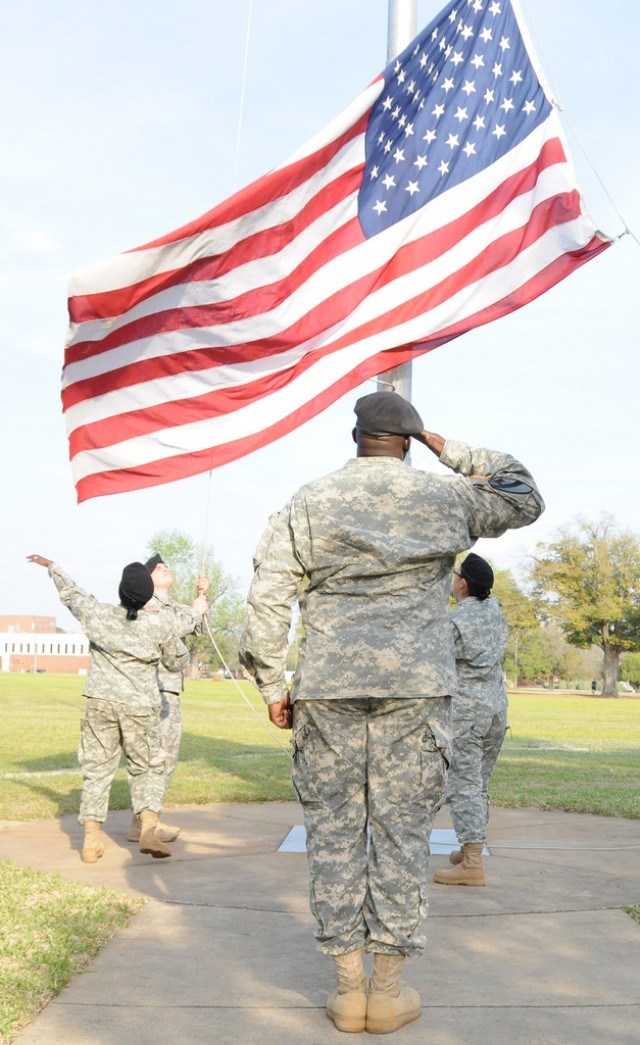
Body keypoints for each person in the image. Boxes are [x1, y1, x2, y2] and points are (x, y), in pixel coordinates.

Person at [239, 390, 544, 1036]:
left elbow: (266, 592)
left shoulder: (310, 500)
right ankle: (388, 990)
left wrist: (272, 682)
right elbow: (524, 493)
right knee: (403, 834)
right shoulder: (443, 497)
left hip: (327, 689)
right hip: (416, 692)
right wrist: (448, 448)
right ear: (405, 441)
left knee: (335, 832)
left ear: (355, 438)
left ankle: (348, 992)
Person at [27, 555, 189, 863]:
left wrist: (53, 567)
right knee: (148, 767)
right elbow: (178, 661)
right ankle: (148, 828)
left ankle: (90, 841)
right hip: (140, 708)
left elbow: (72, 595)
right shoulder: (156, 625)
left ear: (121, 592)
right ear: (145, 596)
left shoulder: (98, 615)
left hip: (100, 704)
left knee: (98, 770)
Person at [433, 553, 509, 888]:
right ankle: (469, 851)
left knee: (464, 786)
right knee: (479, 784)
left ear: (462, 584)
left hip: (468, 715)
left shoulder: (457, 622)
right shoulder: (495, 610)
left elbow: (434, 657)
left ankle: (473, 862)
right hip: (496, 710)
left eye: (454, 576)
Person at [126, 554, 209, 845]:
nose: (165, 569)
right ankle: (145, 824)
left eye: (166, 567)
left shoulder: (176, 607)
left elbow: (198, 628)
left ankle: (145, 822)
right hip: (153, 689)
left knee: (167, 759)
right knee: (156, 759)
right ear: (148, 579)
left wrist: (202, 599)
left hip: (169, 691)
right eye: (159, 568)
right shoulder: (147, 604)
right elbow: (169, 629)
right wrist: (195, 612)